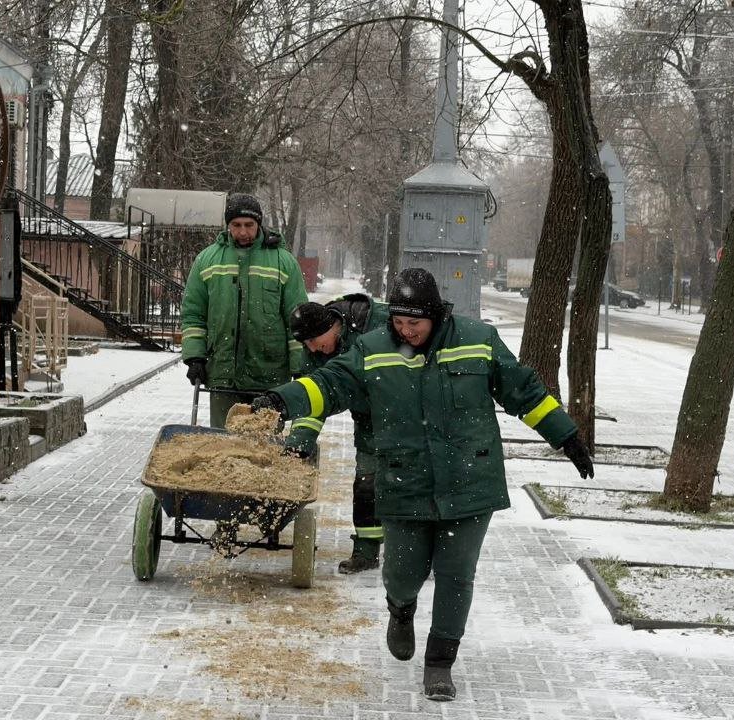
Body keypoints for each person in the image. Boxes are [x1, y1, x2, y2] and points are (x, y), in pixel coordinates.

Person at [252, 268, 593, 701]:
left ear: (435, 315)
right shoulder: (374, 349)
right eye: (398, 321)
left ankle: (439, 663)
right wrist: (282, 400)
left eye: (414, 322)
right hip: (404, 479)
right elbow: (329, 384)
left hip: (470, 480)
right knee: (403, 573)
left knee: (456, 574)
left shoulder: (478, 340)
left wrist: (565, 436)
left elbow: (523, 390)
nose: (405, 331)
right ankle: (401, 609)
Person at [180, 193, 307, 427]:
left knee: (263, 443)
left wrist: (300, 366)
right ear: (228, 225)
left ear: (259, 223)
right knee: (222, 441)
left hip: (269, 377)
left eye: (249, 225)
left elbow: (298, 320)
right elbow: (193, 314)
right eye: (236, 225)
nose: (243, 232)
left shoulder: (283, 262)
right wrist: (194, 357)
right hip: (223, 374)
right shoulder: (207, 260)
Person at [286, 294, 390, 574]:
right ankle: (366, 552)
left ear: (332, 326)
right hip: (369, 422)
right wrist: (299, 442)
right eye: (305, 344)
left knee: (411, 485)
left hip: (409, 419)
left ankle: (418, 556)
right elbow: (311, 398)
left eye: (313, 340)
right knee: (367, 484)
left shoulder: (377, 324)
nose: (312, 348)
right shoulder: (314, 353)